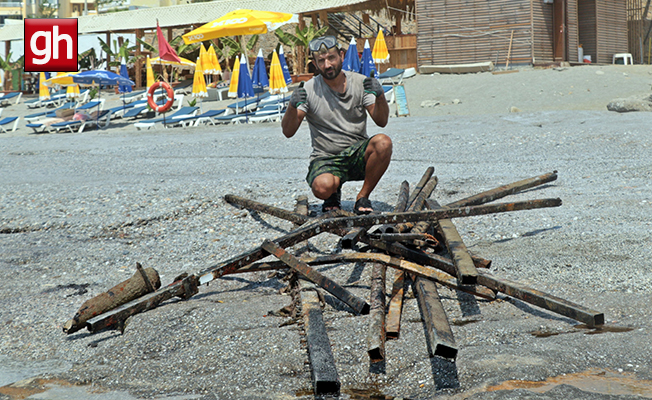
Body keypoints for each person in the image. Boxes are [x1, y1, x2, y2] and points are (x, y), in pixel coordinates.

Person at [281, 35, 392, 214]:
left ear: (341, 55)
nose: (327, 65)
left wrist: (380, 96)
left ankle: (362, 196)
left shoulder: (360, 82)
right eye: (321, 61)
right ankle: (332, 192)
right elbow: (288, 132)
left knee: (383, 142)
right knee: (322, 188)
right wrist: (292, 106)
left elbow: (381, 121)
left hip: (357, 154)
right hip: (326, 157)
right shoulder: (309, 89)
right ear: (315, 64)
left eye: (331, 58)